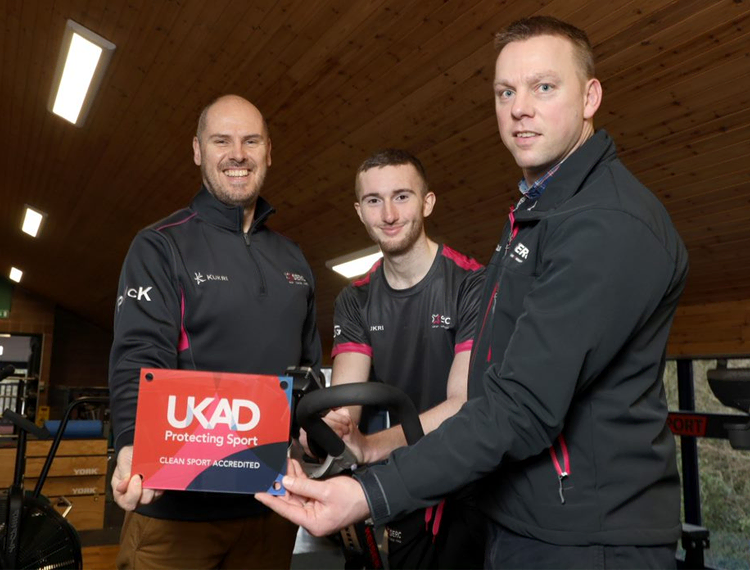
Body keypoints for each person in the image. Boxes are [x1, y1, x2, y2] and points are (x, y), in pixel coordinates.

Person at [258, 16, 688, 570]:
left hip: (585, 538)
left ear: (590, 96)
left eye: (544, 87)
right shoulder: (538, 215)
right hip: (520, 519)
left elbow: (518, 406)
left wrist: (372, 490)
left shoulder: (607, 223)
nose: (519, 108)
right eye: (506, 92)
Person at [109, 94, 322, 569]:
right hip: (176, 513)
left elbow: (307, 369)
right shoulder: (161, 245)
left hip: (271, 508)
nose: (238, 154)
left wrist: (314, 429)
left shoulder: (294, 259)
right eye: (221, 140)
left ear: (268, 150)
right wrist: (129, 441)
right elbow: (138, 354)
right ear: (197, 150)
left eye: (251, 141)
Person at [324, 149, 486, 568]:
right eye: (374, 201)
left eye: (402, 196)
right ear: (360, 212)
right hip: (396, 486)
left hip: (464, 480)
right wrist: (325, 431)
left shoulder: (472, 283)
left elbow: (463, 405)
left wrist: (371, 447)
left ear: (427, 202)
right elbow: (345, 405)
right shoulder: (355, 298)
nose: (389, 214)